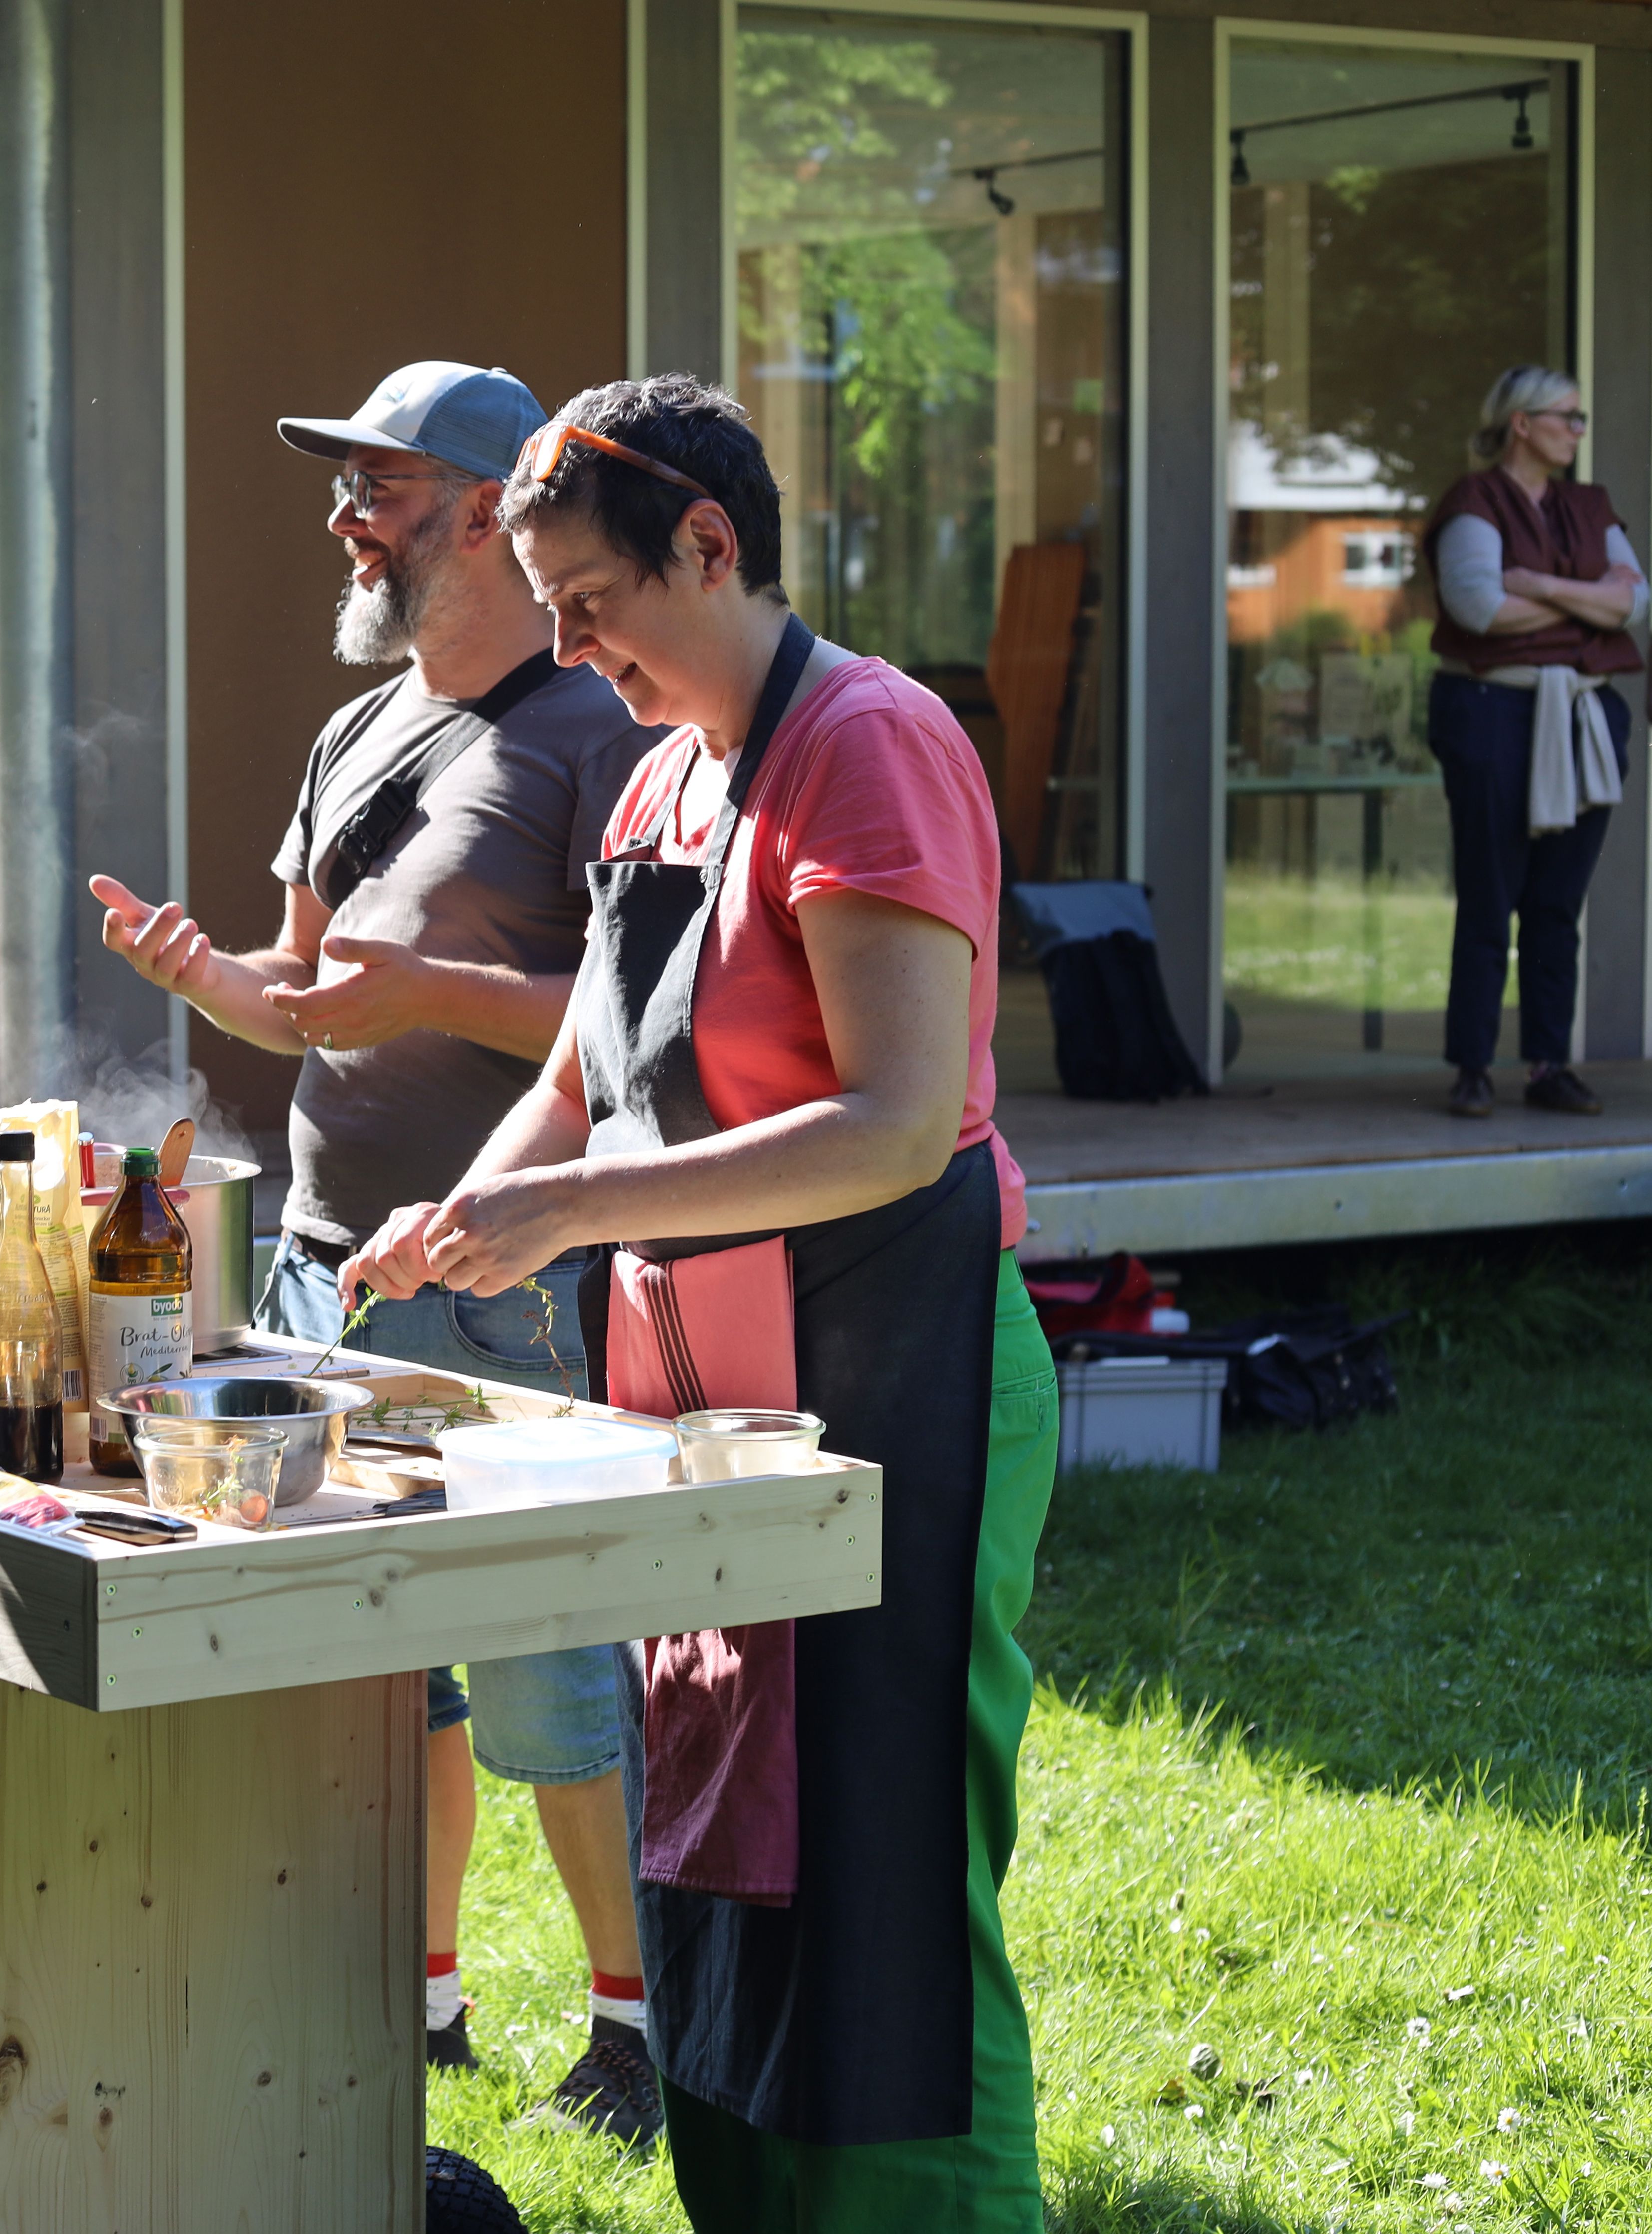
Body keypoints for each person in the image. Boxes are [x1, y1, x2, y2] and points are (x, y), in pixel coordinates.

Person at [344, 373, 1059, 2231]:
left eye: (591, 602)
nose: (572, 646)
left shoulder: (870, 746)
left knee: (878, 1868)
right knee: (721, 1850)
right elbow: (590, 1071)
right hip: (704, 1404)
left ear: (713, 546)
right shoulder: (656, 774)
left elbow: (902, 1123)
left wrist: (574, 1209)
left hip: (900, 1376)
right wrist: (478, 1206)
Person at [87, 361, 667, 2142]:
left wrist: (432, 992)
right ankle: (415, 2007)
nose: (346, 515)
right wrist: (210, 983)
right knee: (376, 1669)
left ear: (489, 509)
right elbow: (308, 1001)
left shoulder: (598, 725)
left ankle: (634, 2031)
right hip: (330, 1269)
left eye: (384, 488)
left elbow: (635, 1015)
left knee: (550, 1671)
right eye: (345, 486)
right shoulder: (354, 735)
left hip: (513, 1273)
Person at [1417, 365, 1643, 1120]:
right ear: (1522, 423)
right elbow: (1478, 606)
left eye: (1580, 420)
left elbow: (1637, 601)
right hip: (1491, 713)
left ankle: (1549, 1064)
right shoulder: (1474, 502)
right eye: (1566, 418)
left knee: (1557, 900)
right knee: (1490, 894)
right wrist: (1591, 603)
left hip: (1583, 716)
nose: (1578, 431)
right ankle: (1473, 1066)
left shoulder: (1589, 504)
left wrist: (1540, 586)